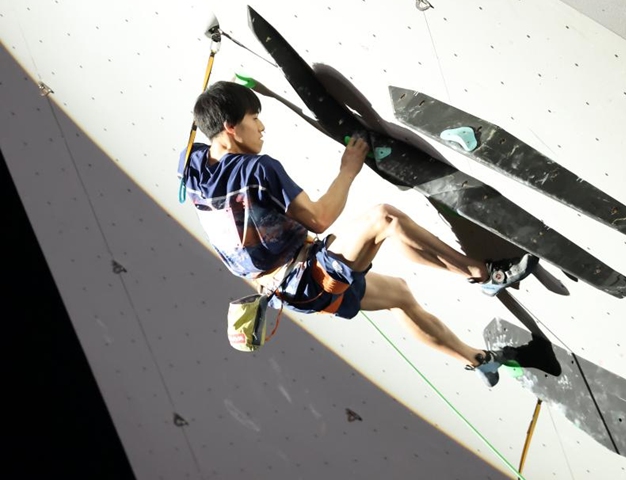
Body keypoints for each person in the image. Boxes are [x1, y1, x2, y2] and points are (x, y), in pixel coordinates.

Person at [179, 80, 539, 386]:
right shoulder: (258, 170)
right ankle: (487, 274)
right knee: (384, 220)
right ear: (230, 126)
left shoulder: (191, 166)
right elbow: (319, 219)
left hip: (284, 291)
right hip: (305, 278)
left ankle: (477, 360)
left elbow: (198, 145)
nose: (261, 127)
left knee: (400, 294)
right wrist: (349, 169)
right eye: (254, 118)